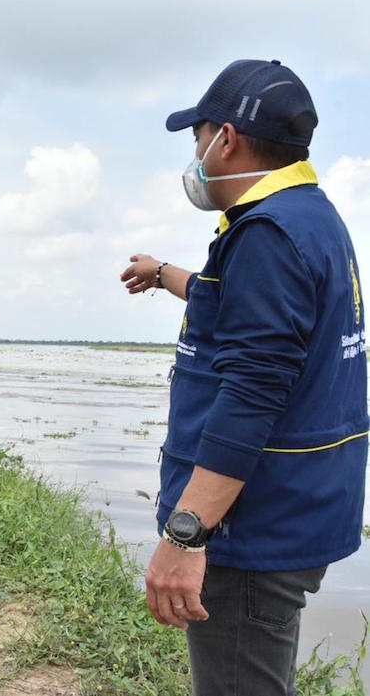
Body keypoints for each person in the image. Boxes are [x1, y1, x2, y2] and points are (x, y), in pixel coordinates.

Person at [120, 59, 367, 695]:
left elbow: (253, 391)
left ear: (226, 139)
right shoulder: (307, 220)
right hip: (293, 510)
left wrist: (185, 533)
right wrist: (164, 271)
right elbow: (230, 301)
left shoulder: (269, 238)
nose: (196, 154)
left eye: (198, 137)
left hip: (249, 527)